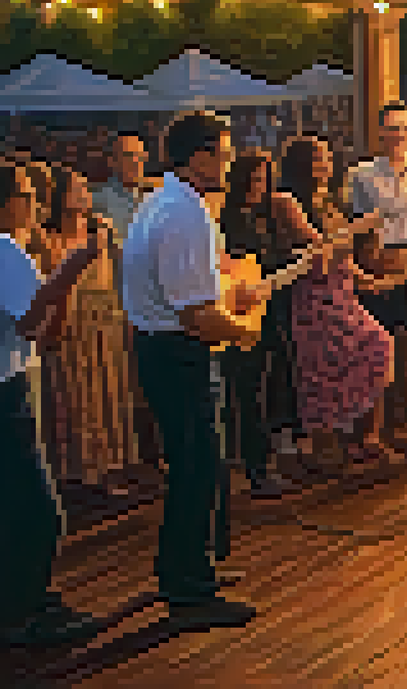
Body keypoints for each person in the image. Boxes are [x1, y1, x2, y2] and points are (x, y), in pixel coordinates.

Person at [120, 111, 257, 627]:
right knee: (197, 467)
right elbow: (196, 314)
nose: (228, 161)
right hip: (179, 353)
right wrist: (244, 331)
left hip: (159, 349)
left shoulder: (159, 202)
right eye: (223, 152)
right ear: (197, 156)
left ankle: (188, 568)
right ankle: (189, 591)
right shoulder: (185, 214)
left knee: (193, 467)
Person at [0, 163, 107, 647]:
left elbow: (43, 330)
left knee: (21, 505)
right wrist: (73, 265)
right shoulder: (4, 250)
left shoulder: (14, 251)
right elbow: (35, 323)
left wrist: (62, 279)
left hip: (14, 381)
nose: (36, 202)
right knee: (37, 510)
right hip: (7, 391)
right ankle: (23, 613)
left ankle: (28, 601)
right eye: (26, 194)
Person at [344, 101, 407, 461]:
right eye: (391, 128)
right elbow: (356, 224)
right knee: (381, 345)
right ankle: (378, 429)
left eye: (403, 128)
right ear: (380, 133)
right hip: (378, 260)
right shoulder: (361, 175)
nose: (398, 135)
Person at [282, 136, 394, 470]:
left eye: (328, 158)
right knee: (321, 369)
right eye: (318, 159)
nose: (326, 165)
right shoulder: (288, 201)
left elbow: (342, 254)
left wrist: (368, 279)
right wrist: (362, 226)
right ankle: (326, 446)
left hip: (343, 292)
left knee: (378, 346)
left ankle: (364, 438)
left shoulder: (329, 202)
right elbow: (321, 247)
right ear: (302, 163)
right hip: (315, 295)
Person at [219, 148, 304, 498]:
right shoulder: (228, 217)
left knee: (273, 380)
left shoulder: (266, 215)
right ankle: (252, 468)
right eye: (253, 180)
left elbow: (268, 259)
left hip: (270, 307)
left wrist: (296, 260)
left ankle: (265, 460)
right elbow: (240, 264)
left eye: (264, 180)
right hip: (243, 311)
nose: (259, 186)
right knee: (246, 390)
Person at [38, 168, 131, 488]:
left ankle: (108, 469)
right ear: (60, 197)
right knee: (75, 396)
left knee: (108, 394)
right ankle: (76, 473)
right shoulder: (48, 238)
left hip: (106, 320)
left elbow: (123, 272)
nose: (85, 193)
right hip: (71, 323)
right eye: (78, 188)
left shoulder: (102, 231)